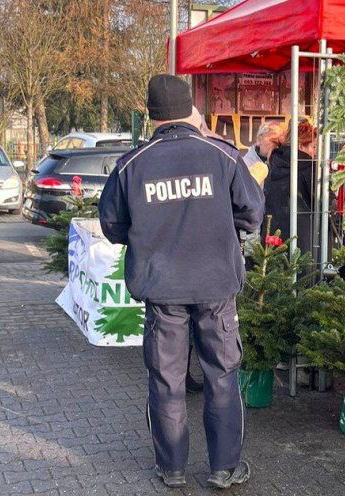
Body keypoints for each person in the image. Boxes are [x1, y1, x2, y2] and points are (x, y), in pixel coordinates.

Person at [98, 74, 264, 490]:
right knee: (222, 375)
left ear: (152, 115)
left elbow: (113, 226)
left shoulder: (132, 165)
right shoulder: (223, 156)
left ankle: (171, 468)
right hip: (216, 288)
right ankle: (224, 467)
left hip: (162, 291)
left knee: (166, 379)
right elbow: (251, 214)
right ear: (191, 110)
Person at [261, 118, 318, 256]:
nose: (315, 152)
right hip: (301, 238)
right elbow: (320, 200)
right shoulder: (308, 167)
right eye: (313, 146)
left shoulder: (273, 162)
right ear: (300, 146)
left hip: (273, 233)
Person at [242, 120, 283, 186]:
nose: (277, 146)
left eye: (280, 143)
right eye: (274, 141)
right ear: (259, 139)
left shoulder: (284, 166)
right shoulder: (244, 165)